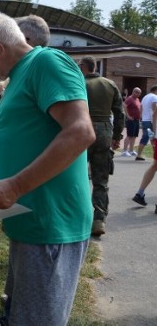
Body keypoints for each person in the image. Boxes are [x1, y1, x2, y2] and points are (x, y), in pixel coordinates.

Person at [0, 12, 95, 326]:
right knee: (21, 308)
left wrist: (15, 186)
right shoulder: (20, 75)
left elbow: (80, 131)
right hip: (29, 215)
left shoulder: (47, 63)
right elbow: (26, 141)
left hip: (50, 220)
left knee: (37, 319)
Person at [78, 56, 124, 236]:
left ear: (83, 67)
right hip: (104, 133)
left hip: (81, 131)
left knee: (77, 176)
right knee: (101, 180)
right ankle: (99, 220)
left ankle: (78, 216)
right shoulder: (110, 84)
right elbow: (120, 113)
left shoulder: (78, 83)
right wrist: (117, 136)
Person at [134, 85, 157, 161]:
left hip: (145, 119)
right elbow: (154, 110)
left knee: (149, 138)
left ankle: (141, 155)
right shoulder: (154, 97)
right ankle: (139, 155)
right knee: (149, 137)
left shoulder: (145, 97)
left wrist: (141, 117)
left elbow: (141, 107)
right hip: (150, 120)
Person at [122, 87, 142, 156]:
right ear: (133, 92)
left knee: (134, 136)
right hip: (131, 120)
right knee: (129, 135)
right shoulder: (130, 99)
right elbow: (124, 105)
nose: (138, 94)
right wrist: (128, 116)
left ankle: (131, 150)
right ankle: (124, 151)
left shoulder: (137, 99)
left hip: (137, 120)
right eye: (136, 92)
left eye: (139, 93)